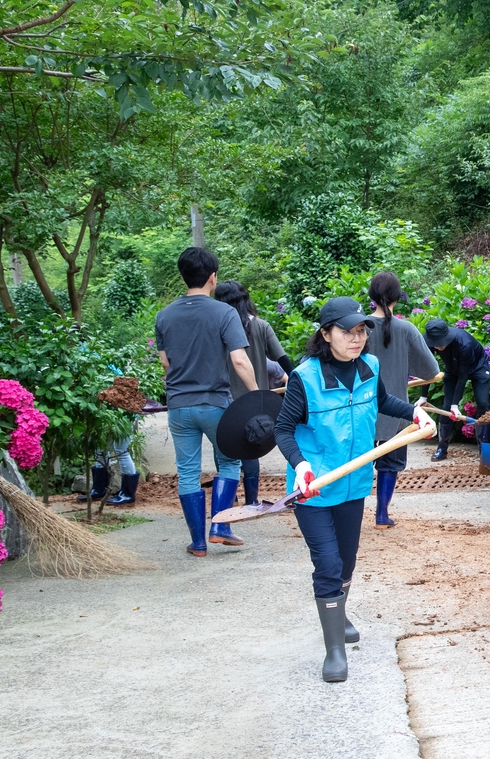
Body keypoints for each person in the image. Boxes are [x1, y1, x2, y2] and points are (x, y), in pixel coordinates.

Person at [274, 296, 433, 683]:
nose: (356, 338)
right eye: (347, 331)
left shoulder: (369, 367)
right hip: (314, 488)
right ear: (326, 334)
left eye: (361, 330)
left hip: (354, 483)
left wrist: (413, 411)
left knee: (346, 560)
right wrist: (302, 464)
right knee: (327, 564)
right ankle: (334, 651)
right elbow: (283, 428)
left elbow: (383, 401)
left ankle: (338, 613)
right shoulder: (305, 377)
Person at [155, 248, 258, 557]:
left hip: (178, 406)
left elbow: (166, 364)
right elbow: (239, 360)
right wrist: (255, 395)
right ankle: (220, 527)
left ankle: (198, 543)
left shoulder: (164, 315)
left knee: (187, 471)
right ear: (213, 277)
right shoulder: (224, 313)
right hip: (214, 403)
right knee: (229, 462)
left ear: (183, 276)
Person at [366, 272, 441, 528]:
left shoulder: (358, 326)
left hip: (360, 411)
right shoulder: (406, 328)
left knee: (355, 462)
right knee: (390, 465)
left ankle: (348, 512)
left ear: (371, 296)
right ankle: (382, 515)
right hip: (396, 412)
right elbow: (431, 372)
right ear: (399, 297)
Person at [215, 280, 294, 506]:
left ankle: (228, 499)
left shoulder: (218, 328)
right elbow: (281, 358)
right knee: (251, 446)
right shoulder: (261, 326)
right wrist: (299, 380)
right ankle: (251, 501)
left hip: (224, 397)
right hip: (253, 398)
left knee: (223, 447)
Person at [424, 317, 490, 462]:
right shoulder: (430, 343)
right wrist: (423, 397)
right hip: (453, 369)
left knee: (483, 404)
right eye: (435, 344)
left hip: (477, 367)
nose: (438, 346)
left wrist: (456, 405)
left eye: (441, 343)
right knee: (447, 408)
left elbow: (463, 376)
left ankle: (484, 449)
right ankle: (442, 448)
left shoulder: (464, 344)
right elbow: (428, 369)